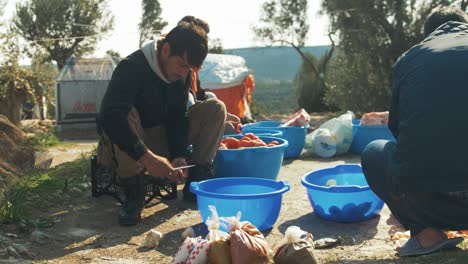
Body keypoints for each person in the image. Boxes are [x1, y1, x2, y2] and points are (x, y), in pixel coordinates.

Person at [361, 6, 468, 257]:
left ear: (428, 35)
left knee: (374, 152)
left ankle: (427, 236)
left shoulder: (410, 59)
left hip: (431, 203)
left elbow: (398, 130)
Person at [97, 20, 227, 226]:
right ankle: (134, 193)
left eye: (190, 69)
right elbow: (110, 118)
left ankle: (196, 181)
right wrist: (148, 158)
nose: (185, 74)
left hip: (159, 138)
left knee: (215, 108)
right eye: (183, 65)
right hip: (128, 145)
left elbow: (177, 117)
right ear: (165, 50)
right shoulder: (131, 67)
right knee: (124, 113)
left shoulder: (181, 75)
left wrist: (179, 154)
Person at [176, 16, 243, 135]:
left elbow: (198, 92)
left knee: (211, 96)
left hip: (192, 103)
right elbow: (184, 95)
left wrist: (225, 114)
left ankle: (220, 125)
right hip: (181, 110)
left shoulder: (193, 63)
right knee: (190, 100)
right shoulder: (178, 59)